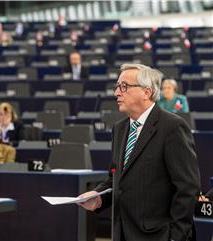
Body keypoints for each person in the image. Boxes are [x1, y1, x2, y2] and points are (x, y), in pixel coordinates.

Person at [78, 63, 200, 241]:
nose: (116, 93)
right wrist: (99, 197)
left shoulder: (172, 127)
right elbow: (117, 179)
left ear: (147, 92)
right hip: (123, 233)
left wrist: (176, 236)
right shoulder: (119, 129)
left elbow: (188, 187)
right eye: (117, 87)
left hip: (159, 235)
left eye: (124, 87)